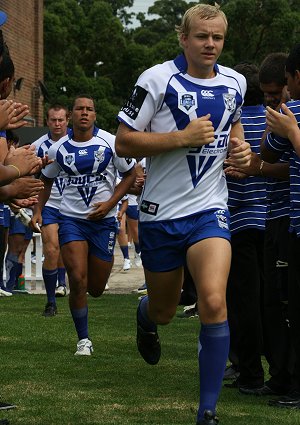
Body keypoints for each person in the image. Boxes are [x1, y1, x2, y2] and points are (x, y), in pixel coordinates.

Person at [115, 4, 251, 424]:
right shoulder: (156, 79)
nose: (210, 44)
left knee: (213, 299)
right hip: (160, 216)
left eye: (218, 38)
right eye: (201, 37)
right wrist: (180, 138)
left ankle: (206, 411)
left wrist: (241, 151)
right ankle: (146, 317)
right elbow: (123, 143)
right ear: (183, 38)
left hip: (210, 209)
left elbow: (233, 129)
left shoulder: (236, 82)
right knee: (165, 310)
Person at [31, 95, 136, 355]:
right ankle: (84, 340)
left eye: (89, 109)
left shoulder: (111, 142)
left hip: (103, 222)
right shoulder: (59, 148)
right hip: (70, 220)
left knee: (96, 288)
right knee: (77, 279)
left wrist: (111, 203)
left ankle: (87, 293)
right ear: (72, 116)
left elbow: (131, 174)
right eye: (80, 109)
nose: (84, 113)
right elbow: (46, 180)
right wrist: (38, 210)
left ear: (95, 115)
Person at [261, 43, 300, 409]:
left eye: (285, 85)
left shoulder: (293, 113)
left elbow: (269, 152)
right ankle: (285, 381)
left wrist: (291, 129)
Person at [224, 63, 267, 393]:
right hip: (275, 221)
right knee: (272, 300)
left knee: (243, 303)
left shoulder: (229, 128)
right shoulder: (273, 119)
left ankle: (248, 372)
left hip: (239, 222)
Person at [32, 103, 70, 316]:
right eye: (53, 120)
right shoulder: (38, 146)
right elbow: (29, 174)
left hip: (74, 205)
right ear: (47, 121)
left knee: (68, 250)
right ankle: (50, 302)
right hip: (50, 205)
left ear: (67, 120)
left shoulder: (78, 140)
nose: (57, 124)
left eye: (61, 120)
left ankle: (63, 282)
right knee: (51, 249)